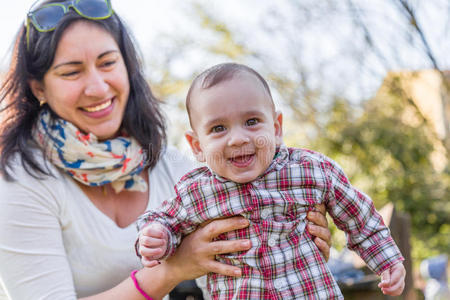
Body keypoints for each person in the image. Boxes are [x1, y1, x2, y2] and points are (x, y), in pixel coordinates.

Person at [0, 1, 332, 299]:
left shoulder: (174, 167)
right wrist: (172, 270)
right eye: (71, 72)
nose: (98, 86)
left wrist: (293, 245)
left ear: (127, 67)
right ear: (38, 87)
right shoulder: (19, 180)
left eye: (107, 63)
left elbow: (241, 273)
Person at [136, 63, 407, 299]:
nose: (238, 138)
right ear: (197, 146)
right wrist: (156, 236)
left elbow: (358, 215)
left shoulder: (309, 170)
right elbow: (165, 220)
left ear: (276, 128)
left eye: (252, 121)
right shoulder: (197, 191)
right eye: (218, 128)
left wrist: (387, 260)